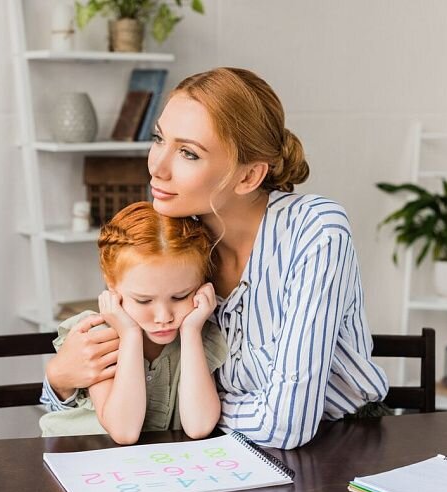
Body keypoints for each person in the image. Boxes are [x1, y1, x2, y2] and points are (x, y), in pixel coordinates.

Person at [41, 67, 389, 449]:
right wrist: (59, 378)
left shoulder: (315, 231)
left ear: (248, 176)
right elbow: (128, 380)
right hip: (215, 450)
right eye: (159, 139)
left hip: (342, 442)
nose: (157, 166)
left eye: (188, 153)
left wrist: (191, 412)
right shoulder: (178, 239)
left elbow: (286, 426)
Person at [39, 201, 228, 444]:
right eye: (143, 300)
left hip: (146, 469)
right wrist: (129, 335)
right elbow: (124, 431)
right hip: (77, 458)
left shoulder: (198, 332)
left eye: (180, 296)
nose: (163, 317)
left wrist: (191, 332)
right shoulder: (96, 334)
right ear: (112, 285)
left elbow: (199, 426)